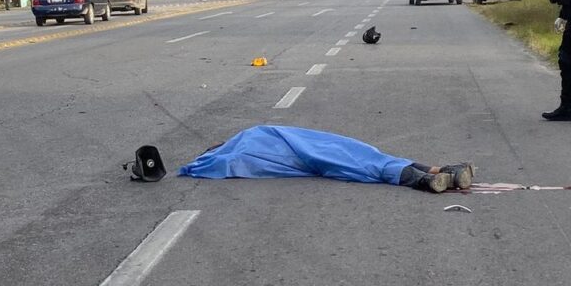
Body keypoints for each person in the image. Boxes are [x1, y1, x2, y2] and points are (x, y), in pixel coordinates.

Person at [177, 124, 474, 193]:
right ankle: (438, 172)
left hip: (309, 151)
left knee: (362, 164)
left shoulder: (244, 143)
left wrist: (191, 166)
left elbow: (220, 164)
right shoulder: (250, 135)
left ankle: (432, 176)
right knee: (367, 158)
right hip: (315, 146)